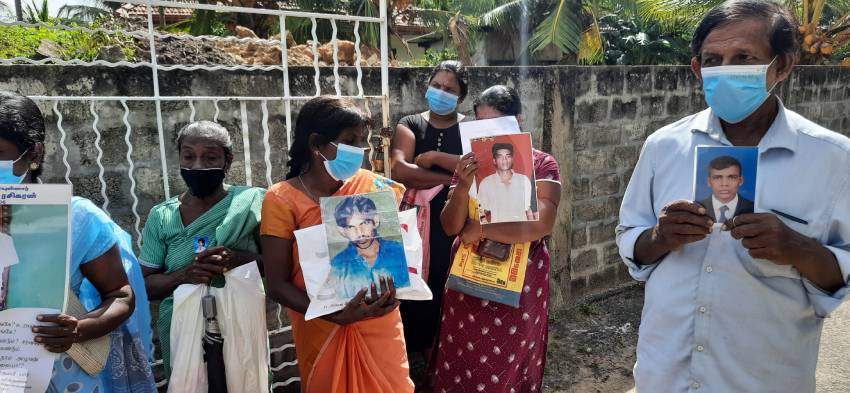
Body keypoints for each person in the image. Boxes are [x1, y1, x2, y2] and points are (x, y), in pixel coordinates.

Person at [616, 2, 850, 392]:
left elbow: (843, 271)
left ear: (783, 65)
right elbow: (629, 237)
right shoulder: (664, 146)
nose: (726, 70)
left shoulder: (832, 159)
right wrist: (659, 238)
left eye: (743, 57)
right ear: (697, 69)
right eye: (713, 59)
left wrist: (796, 247)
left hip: (764, 379)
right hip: (665, 375)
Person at [0, 91, 156, 392]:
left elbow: (121, 296)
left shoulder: (78, 219)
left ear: (34, 153)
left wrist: (78, 330)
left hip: (60, 375)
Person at [261, 96, 414, 392]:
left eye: (362, 140)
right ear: (317, 143)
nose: (360, 149)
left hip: (379, 321)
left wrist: (399, 290)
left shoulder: (372, 187)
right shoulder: (281, 200)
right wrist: (335, 315)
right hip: (323, 327)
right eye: (350, 140)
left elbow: (394, 254)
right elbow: (277, 285)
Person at [433, 85, 561, 393]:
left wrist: (482, 230)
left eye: (497, 124)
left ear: (518, 121)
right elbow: (450, 227)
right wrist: (463, 185)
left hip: (519, 280)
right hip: (469, 277)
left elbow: (541, 225)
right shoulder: (468, 165)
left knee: (511, 356)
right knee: (462, 352)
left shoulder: (542, 164)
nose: (488, 134)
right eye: (480, 125)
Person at [139, 120, 266, 380]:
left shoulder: (251, 203)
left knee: (245, 379)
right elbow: (145, 286)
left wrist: (239, 259)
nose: (198, 166)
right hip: (181, 325)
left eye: (210, 157)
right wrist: (185, 275)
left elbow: (279, 264)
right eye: (189, 156)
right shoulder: (161, 216)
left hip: (241, 320)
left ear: (227, 161)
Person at [390, 60, 469, 368]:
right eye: (437, 86)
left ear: (461, 96)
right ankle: (412, 361)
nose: (441, 92)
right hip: (413, 221)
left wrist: (434, 158)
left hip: (454, 217)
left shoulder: (469, 127)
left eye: (450, 89)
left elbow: (478, 163)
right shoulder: (409, 123)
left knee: (445, 281)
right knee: (412, 284)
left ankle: (442, 358)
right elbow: (401, 170)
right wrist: (454, 176)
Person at [327, 195, 409, 299]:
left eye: (364, 223)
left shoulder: (400, 251)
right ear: (342, 231)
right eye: (351, 227)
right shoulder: (337, 264)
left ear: (376, 221)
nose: (360, 233)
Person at [477, 142, 534, 223]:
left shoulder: (524, 180)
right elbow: (481, 209)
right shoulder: (486, 183)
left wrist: (531, 226)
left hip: (521, 230)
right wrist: (485, 223)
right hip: (497, 232)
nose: (505, 160)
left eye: (508, 156)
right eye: (500, 157)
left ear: (512, 159)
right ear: (494, 161)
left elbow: (528, 208)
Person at [698, 155, 754, 223]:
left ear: (740, 181)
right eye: (717, 177)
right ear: (709, 182)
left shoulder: (753, 208)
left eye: (731, 177)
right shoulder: (698, 207)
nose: (724, 184)